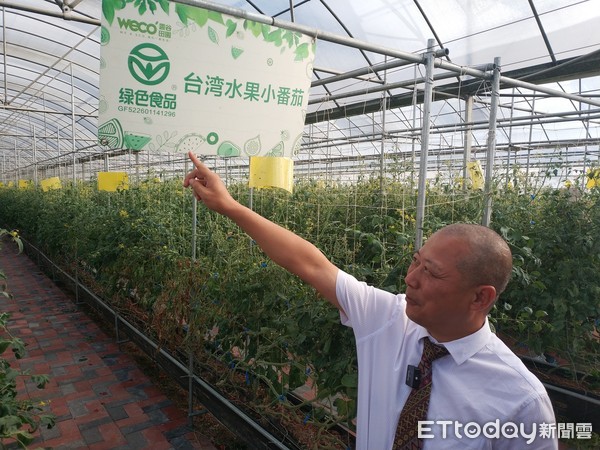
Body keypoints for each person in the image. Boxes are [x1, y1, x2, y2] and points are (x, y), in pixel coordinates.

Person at [183, 152, 558, 450]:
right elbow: (310, 264)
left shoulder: (520, 403)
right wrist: (230, 206)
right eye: (416, 261)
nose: (411, 279)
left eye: (432, 272)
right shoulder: (389, 319)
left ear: (481, 297)